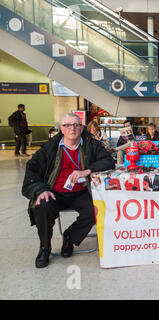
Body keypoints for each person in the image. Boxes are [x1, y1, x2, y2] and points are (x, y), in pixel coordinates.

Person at [21, 112, 115, 268]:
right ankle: (45, 247)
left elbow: (108, 161)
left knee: (95, 210)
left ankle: (69, 237)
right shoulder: (49, 148)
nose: (73, 128)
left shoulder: (91, 144)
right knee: (42, 207)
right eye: (68, 125)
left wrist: (87, 170)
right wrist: (41, 189)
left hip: (81, 191)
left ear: (82, 127)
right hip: (54, 191)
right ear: (61, 129)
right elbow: (32, 169)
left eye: (77, 125)